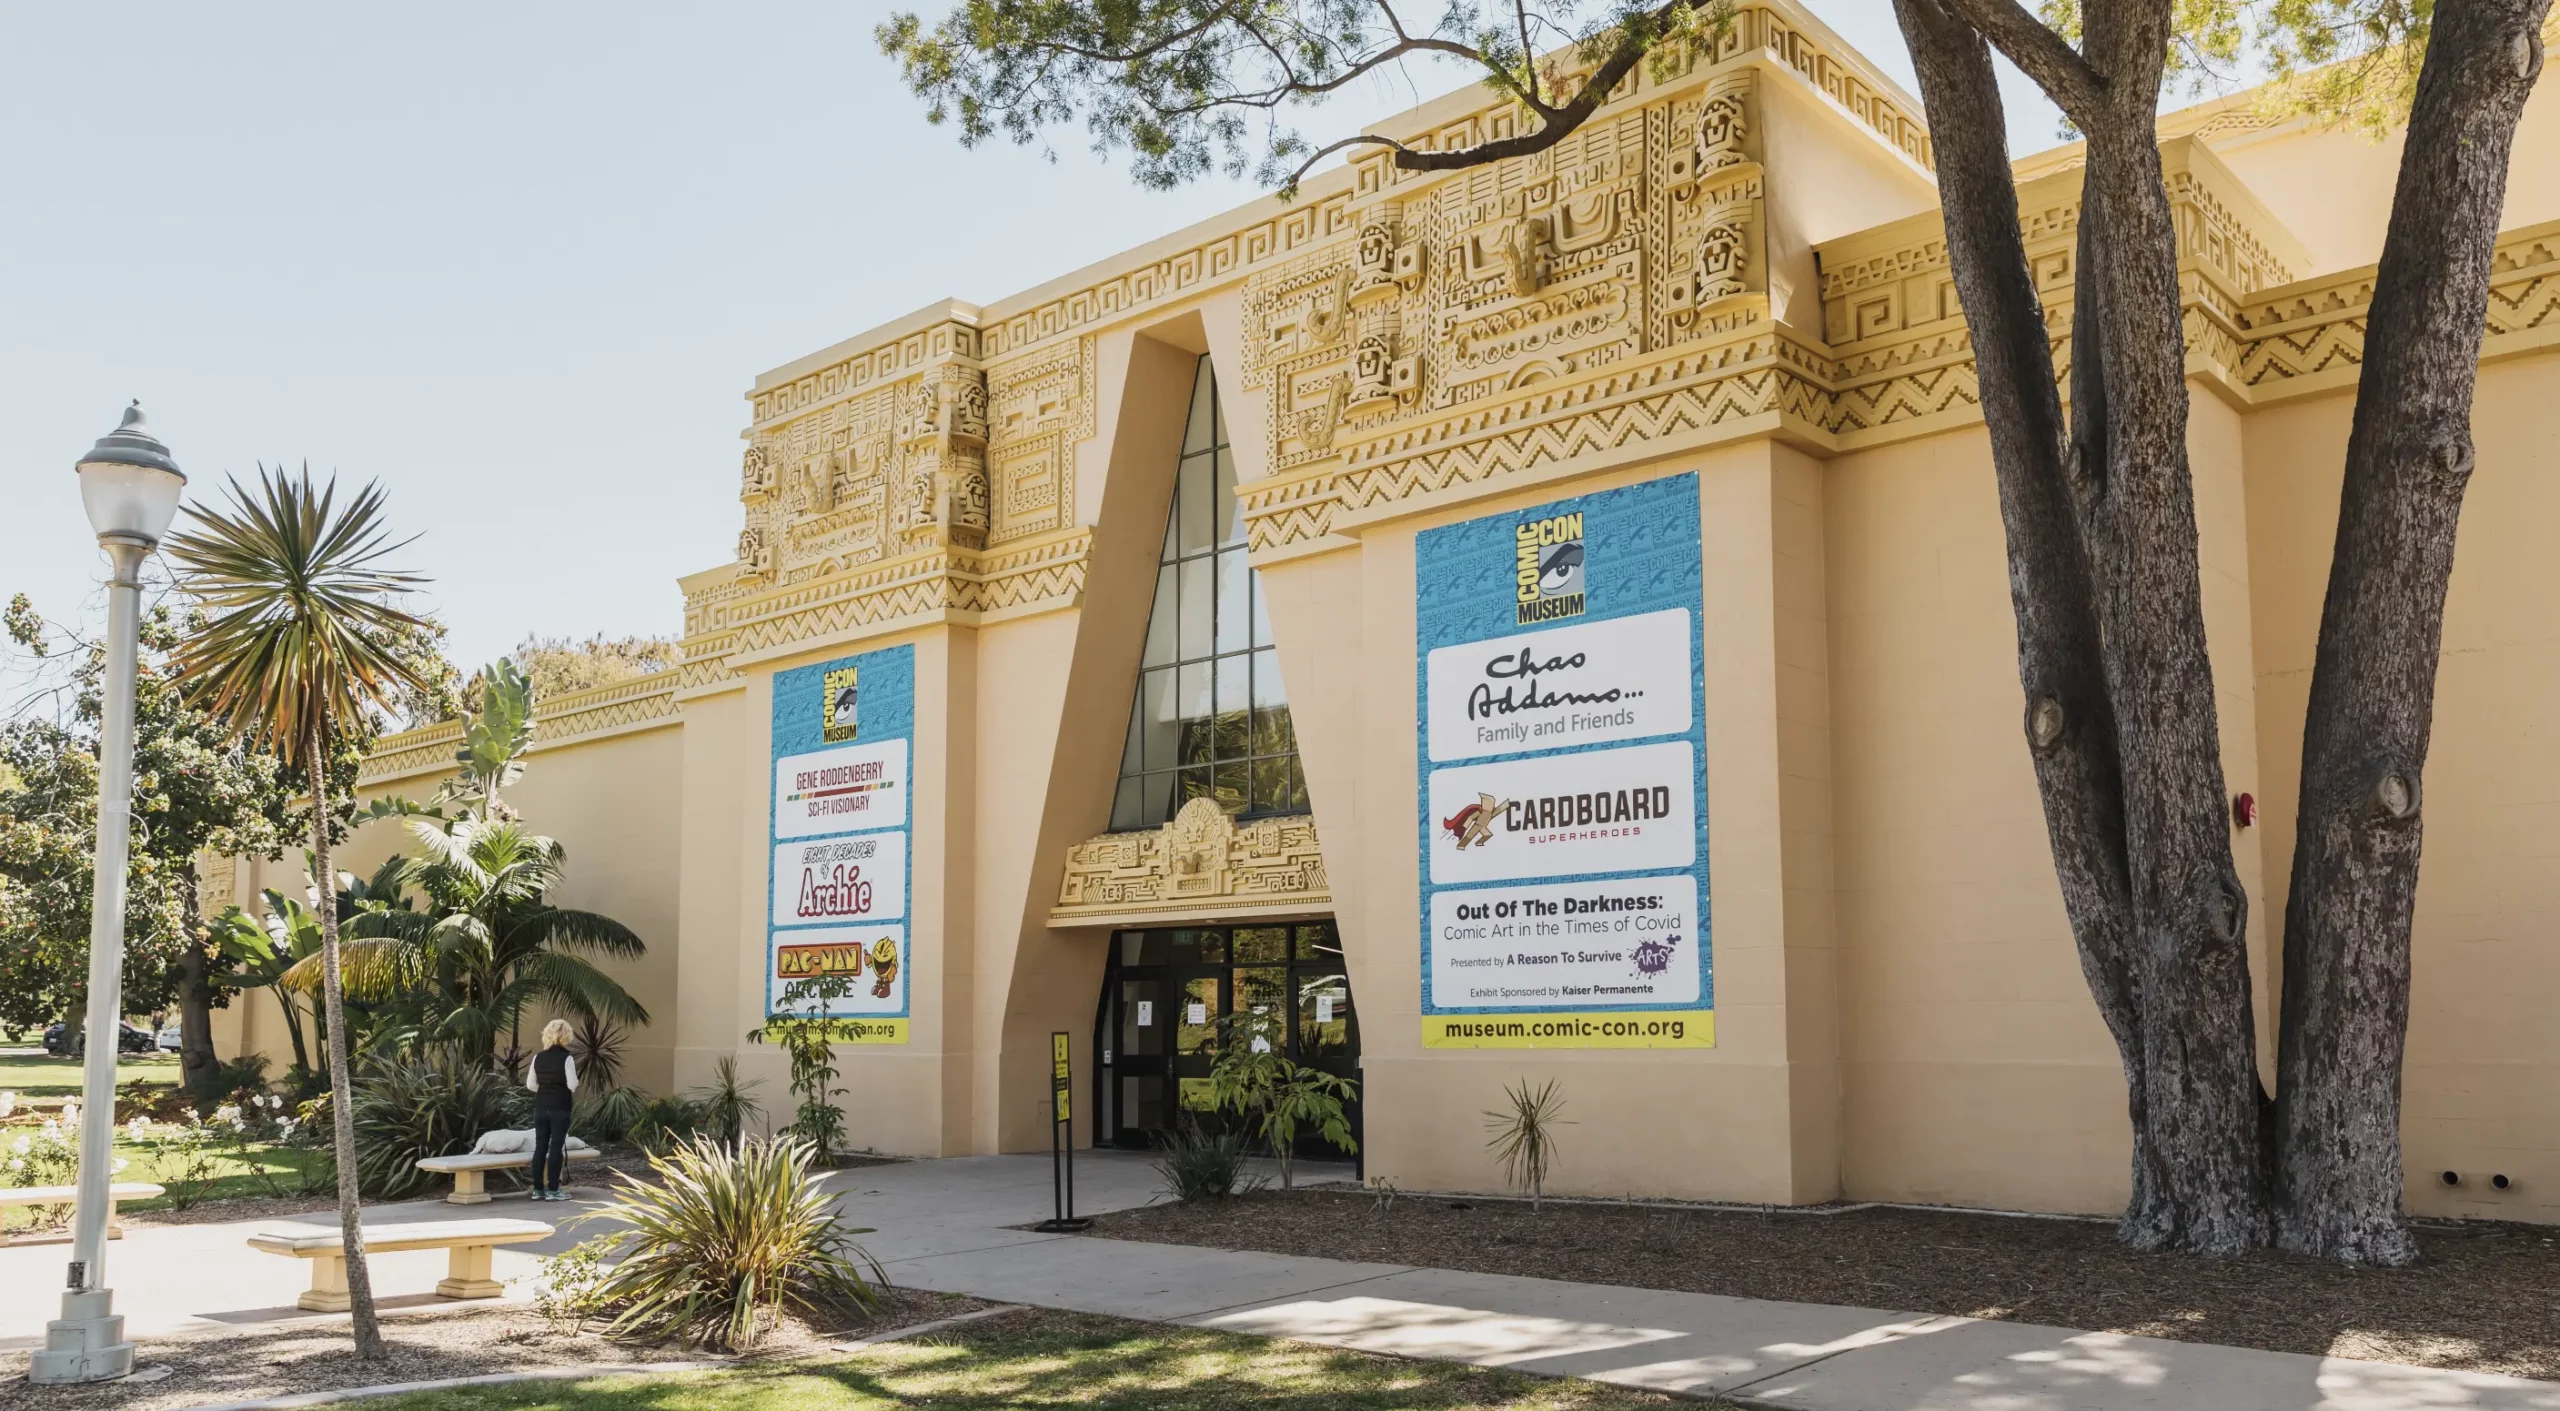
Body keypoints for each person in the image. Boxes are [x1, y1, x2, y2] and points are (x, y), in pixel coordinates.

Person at [525, 1019, 579, 1201]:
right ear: (566, 1036)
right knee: (556, 1146)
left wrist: (545, 1090)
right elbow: (572, 1084)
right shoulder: (567, 1058)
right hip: (560, 1108)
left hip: (541, 1107)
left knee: (540, 1146)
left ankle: (538, 1189)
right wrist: (563, 1090)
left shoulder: (538, 1057)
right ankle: (553, 1189)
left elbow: (530, 1084)